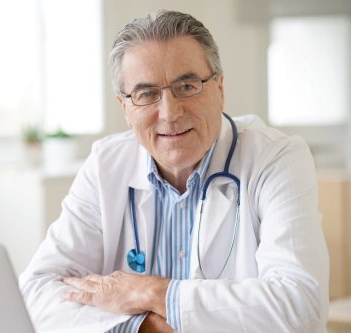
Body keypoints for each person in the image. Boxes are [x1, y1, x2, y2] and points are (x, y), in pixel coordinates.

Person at [19, 10, 329, 333]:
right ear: (125, 107)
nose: (169, 113)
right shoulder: (105, 166)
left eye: (187, 86)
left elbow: (300, 305)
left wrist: (151, 292)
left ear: (219, 89)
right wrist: (143, 327)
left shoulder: (276, 158)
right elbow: (36, 292)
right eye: (146, 94)